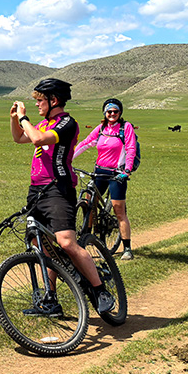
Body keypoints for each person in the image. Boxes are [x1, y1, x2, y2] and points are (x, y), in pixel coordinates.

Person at [10, 78, 115, 315]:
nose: (37, 104)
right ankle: (50, 300)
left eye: (40, 100)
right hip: (37, 190)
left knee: (66, 242)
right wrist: (14, 119)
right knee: (42, 246)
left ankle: (100, 291)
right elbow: (19, 138)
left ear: (54, 100)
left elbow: (37, 139)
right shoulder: (43, 123)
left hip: (59, 188)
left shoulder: (67, 123)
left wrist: (24, 118)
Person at [73, 98, 137, 260]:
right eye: (109, 111)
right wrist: (68, 160)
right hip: (99, 172)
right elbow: (86, 143)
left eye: (115, 111)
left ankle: (127, 248)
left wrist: (127, 170)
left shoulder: (125, 127)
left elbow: (130, 148)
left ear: (120, 112)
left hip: (117, 174)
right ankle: (85, 239)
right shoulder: (101, 128)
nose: (112, 114)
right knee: (88, 202)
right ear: (104, 113)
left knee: (119, 210)